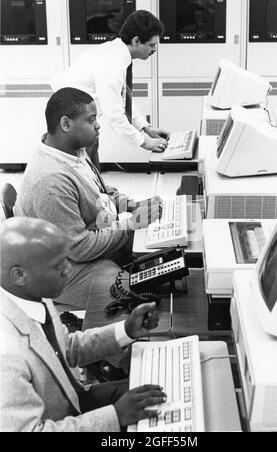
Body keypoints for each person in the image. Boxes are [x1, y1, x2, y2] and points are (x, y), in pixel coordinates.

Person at [0, 216, 166, 432]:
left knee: (161, 391)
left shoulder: (32, 295)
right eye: (58, 266)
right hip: (60, 421)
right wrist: (115, 416)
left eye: (66, 260)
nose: (68, 270)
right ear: (19, 275)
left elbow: (66, 348)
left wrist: (126, 330)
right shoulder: (7, 354)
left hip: (73, 400)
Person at [15, 87, 162, 311]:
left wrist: (132, 206)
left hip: (90, 237)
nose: (98, 124)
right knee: (127, 292)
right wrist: (131, 224)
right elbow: (79, 248)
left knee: (158, 250)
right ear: (66, 124)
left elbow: (100, 191)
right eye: (91, 119)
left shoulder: (72, 150)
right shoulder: (50, 181)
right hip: (64, 268)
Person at [51, 10, 170, 155]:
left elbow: (123, 101)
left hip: (79, 114)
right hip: (70, 118)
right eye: (152, 45)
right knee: (83, 158)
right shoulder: (113, 63)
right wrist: (144, 141)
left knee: (91, 150)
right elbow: (114, 115)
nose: (155, 49)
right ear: (136, 41)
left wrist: (145, 128)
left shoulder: (118, 53)